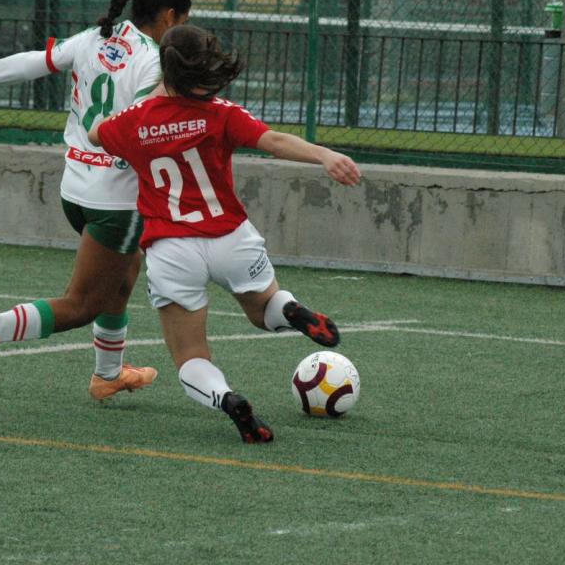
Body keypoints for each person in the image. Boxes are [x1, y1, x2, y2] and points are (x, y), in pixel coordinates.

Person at [88, 24, 361, 443]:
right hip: (232, 239)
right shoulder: (220, 112)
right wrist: (324, 154)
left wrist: (138, 112)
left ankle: (229, 400)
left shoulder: (134, 122)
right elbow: (273, 140)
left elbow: (95, 134)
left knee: (190, 358)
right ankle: (289, 310)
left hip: (171, 249)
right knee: (263, 307)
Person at [0, 0, 192, 400]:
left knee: (125, 271)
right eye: (185, 20)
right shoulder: (155, 59)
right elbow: (138, 124)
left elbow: (36, 62)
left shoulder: (94, 37)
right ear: (171, 16)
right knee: (82, 303)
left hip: (75, 189)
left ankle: (108, 374)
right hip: (116, 199)